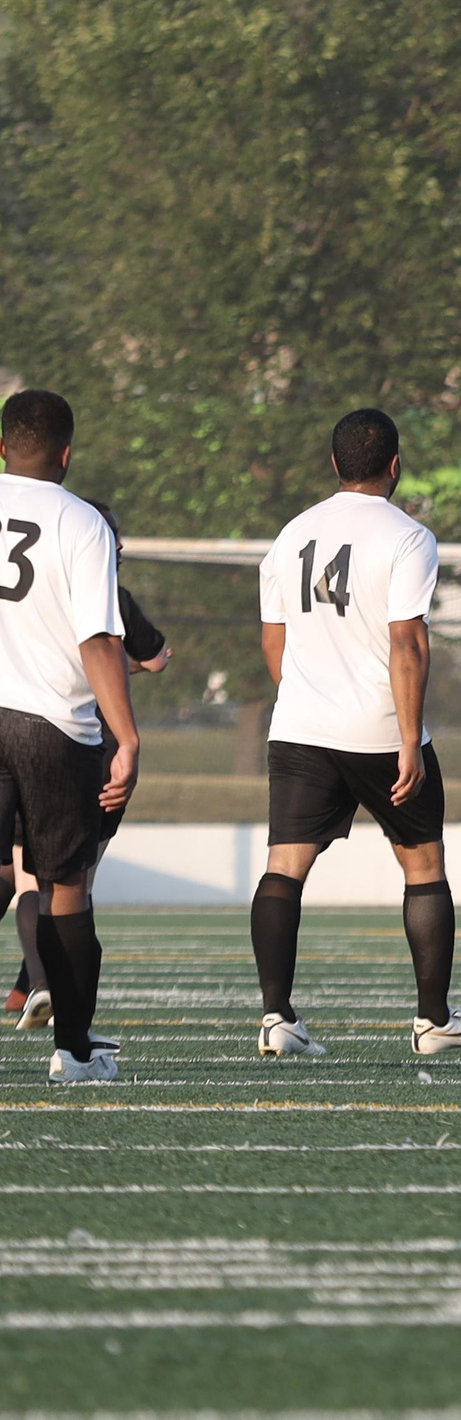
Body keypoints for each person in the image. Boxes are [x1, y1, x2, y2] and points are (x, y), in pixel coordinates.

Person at [249, 409, 461, 1059]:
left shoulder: (291, 534)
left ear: (333, 465)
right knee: (423, 863)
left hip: (300, 724)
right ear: (394, 464)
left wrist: (303, 698)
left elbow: (276, 637)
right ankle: (432, 1021)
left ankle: (277, 1016)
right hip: (380, 729)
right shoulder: (408, 536)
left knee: (284, 867)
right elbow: (407, 641)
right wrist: (409, 737)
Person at [0, 390, 140, 1083]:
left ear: (1, 448)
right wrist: (127, 734)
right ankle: (75, 1051)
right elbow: (98, 638)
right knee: (65, 887)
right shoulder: (81, 521)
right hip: (51, 723)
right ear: (65, 453)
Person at [10, 506, 169, 1027]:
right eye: (114, 539)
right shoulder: (105, 593)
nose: (117, 548)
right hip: (72, 739)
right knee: (66, 883)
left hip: (26, 729)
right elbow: (147, 656)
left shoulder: (40, 586)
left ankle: (33, 984)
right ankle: (62, 1020)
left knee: (30, 877)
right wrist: (119, 695)